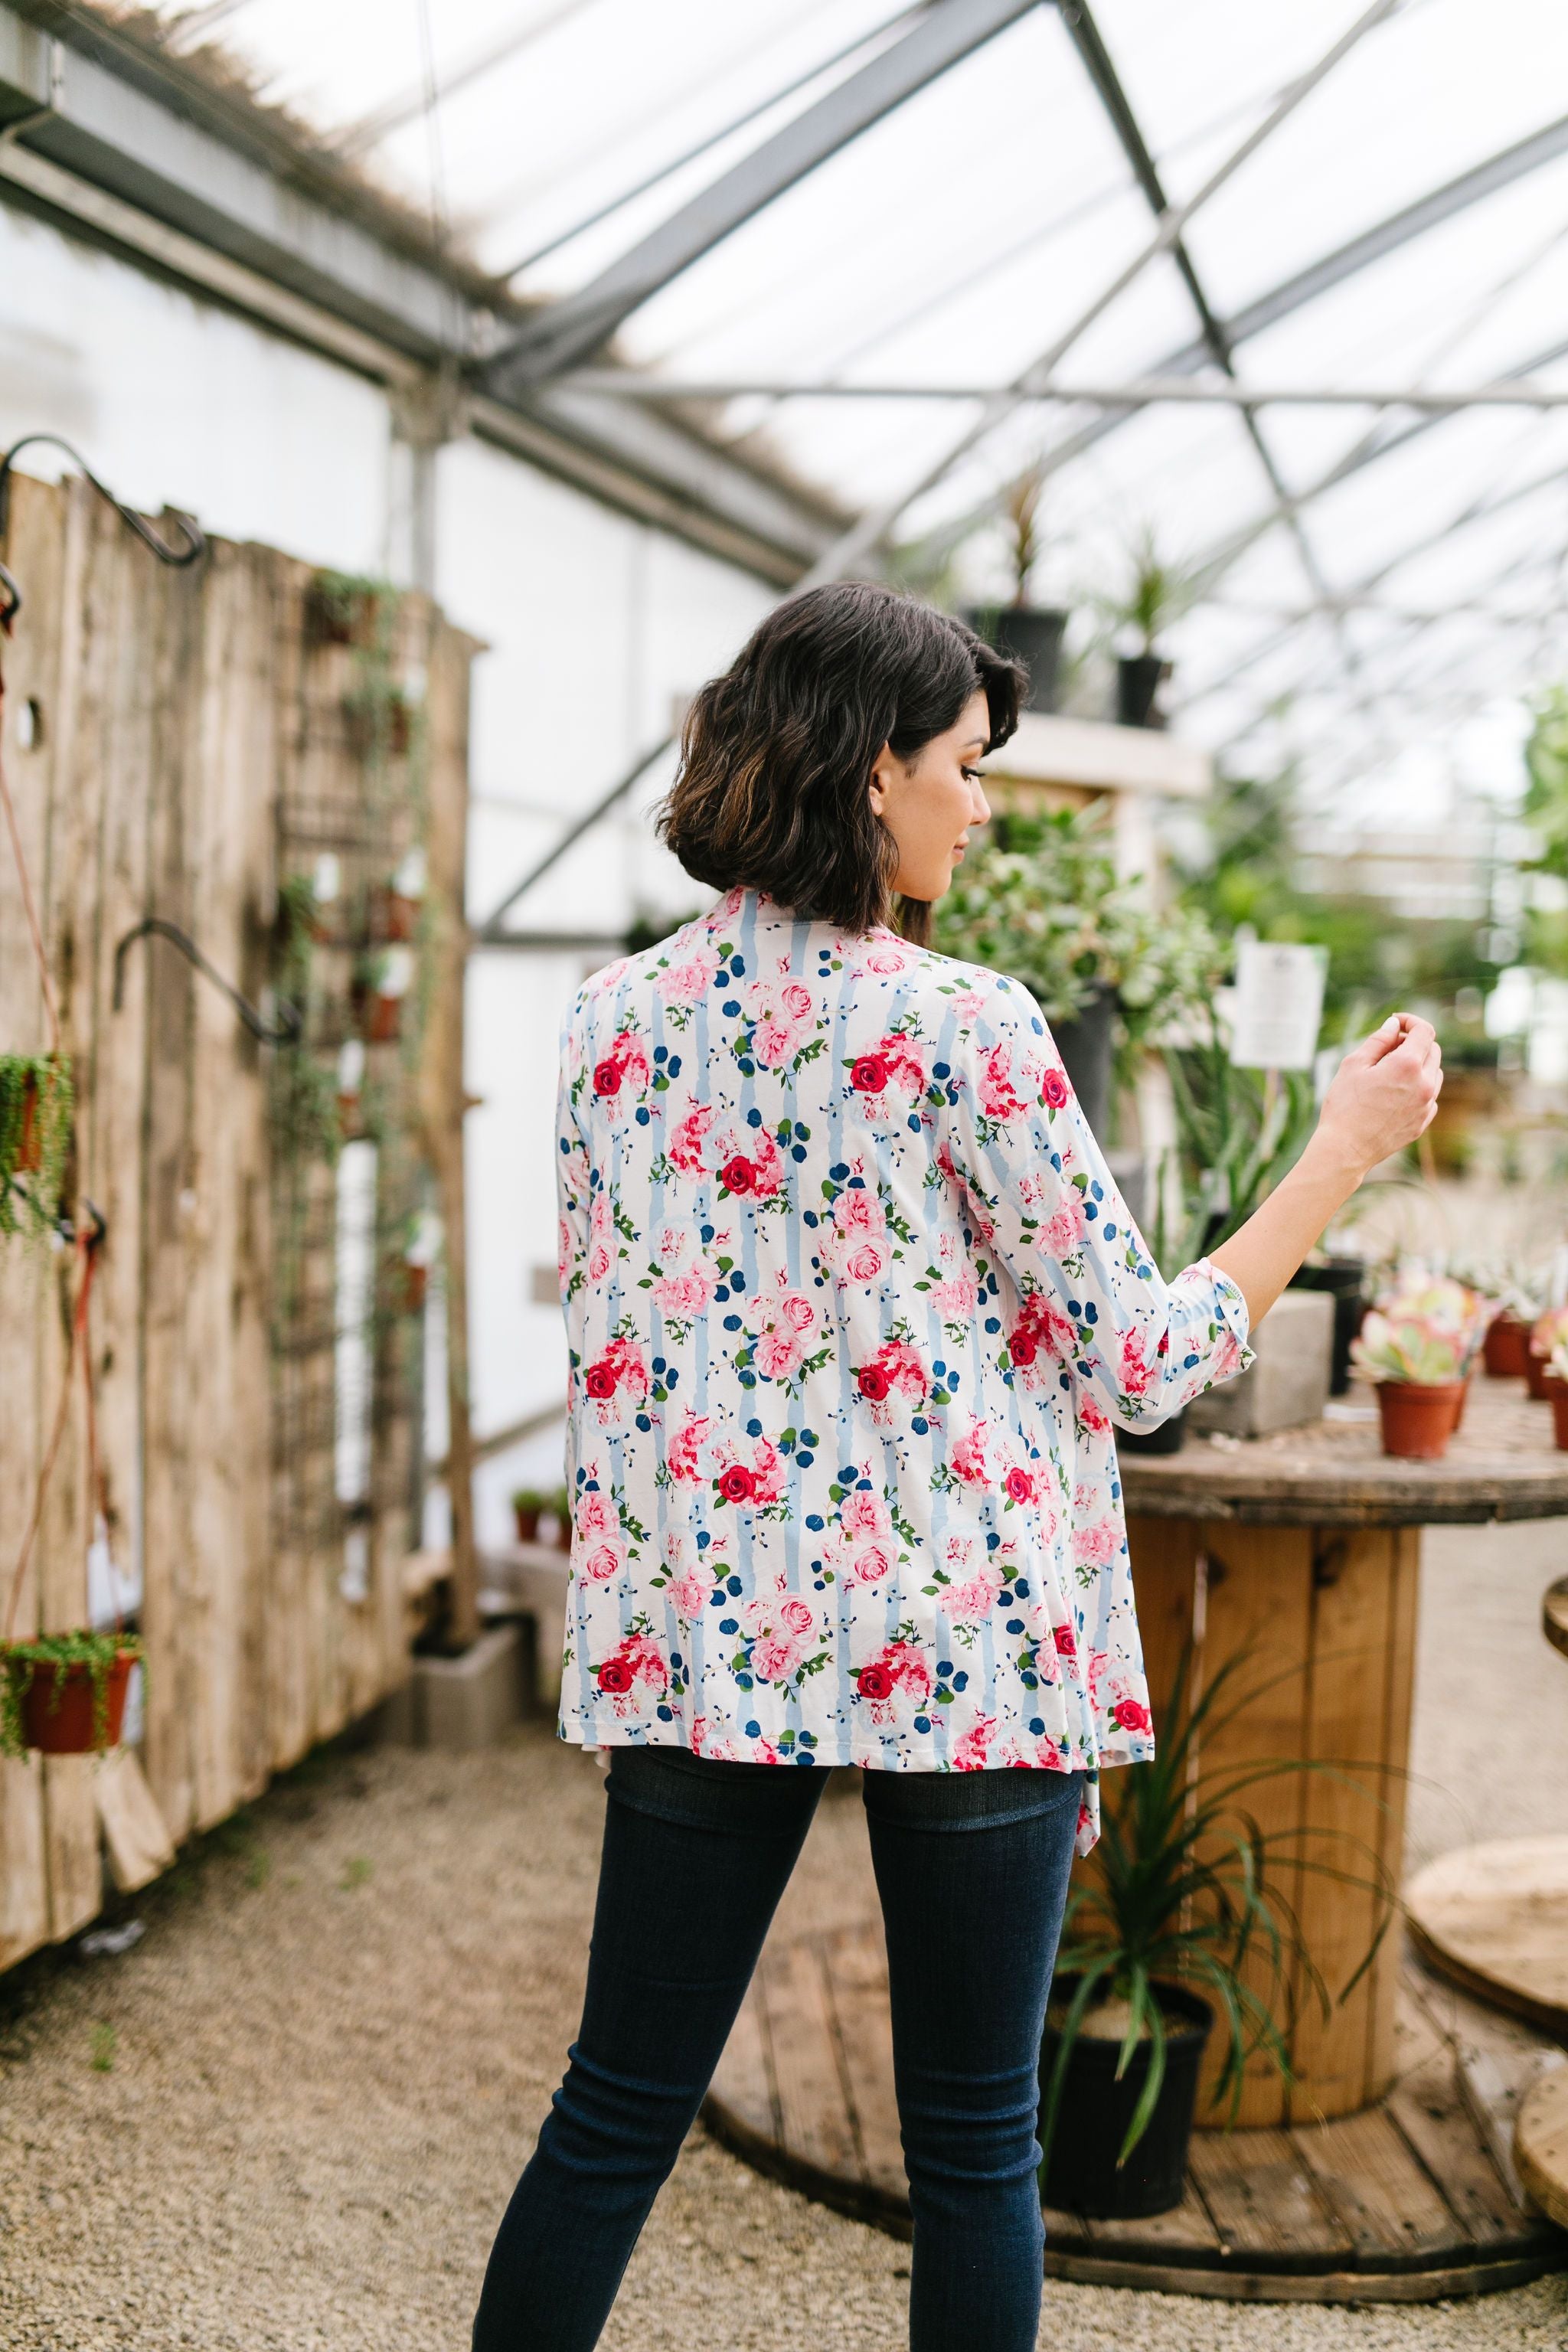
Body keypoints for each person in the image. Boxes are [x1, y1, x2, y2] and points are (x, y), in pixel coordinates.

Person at [472, 583, 1442, 2352]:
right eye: (966, 768)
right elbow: (1141, 1364)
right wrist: (1337, 1153)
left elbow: (647, 1335)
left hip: (706, 1633)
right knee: (978, 2144)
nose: (978, 806)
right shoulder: (964, 1025)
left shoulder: (610, 1019)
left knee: (613, 2112)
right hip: (963, 1641)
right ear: (871, 781)